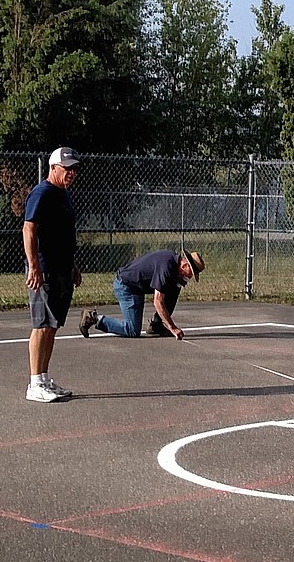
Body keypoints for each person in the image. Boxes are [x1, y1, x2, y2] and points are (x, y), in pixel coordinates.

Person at [23, 146, 83, 402]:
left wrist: (72, 266)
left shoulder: (63, 195)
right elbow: (29, 229)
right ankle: (34, 383)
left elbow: (64, 236)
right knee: (42, 326)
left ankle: (44, 379)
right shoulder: (42, 193)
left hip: (62, 269)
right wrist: (34, 266)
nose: (71, 173)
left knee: (53, 326)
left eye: (73, 169)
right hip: (45, 270)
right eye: (66, 168)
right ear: (53, 168)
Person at [80, 248, 204, 341]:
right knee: (132, 330)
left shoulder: (172, 263)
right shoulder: (166, 266)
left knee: (175, 287)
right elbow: (158, 301)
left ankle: (156, 326)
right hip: (126, 286)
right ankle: (93, 318)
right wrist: (172, 327)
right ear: (185, 265)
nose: (190, 276)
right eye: (191, 272)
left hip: (137, 288)